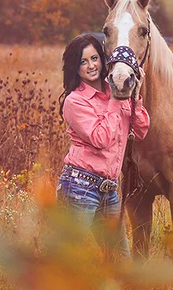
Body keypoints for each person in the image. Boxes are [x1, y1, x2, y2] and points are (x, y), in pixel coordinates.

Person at [56, 33, 150, 261]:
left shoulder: (116, 91)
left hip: (109, 191)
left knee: (120, 261)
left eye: (95, 58)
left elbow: (140, 130)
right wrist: (117, 100)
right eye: (83, 61)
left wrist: (131, 92)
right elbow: (100, 138)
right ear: (74, 67)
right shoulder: (75, 101)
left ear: (103, 59)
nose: (91, 66)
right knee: (71, 259)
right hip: (80, 188)